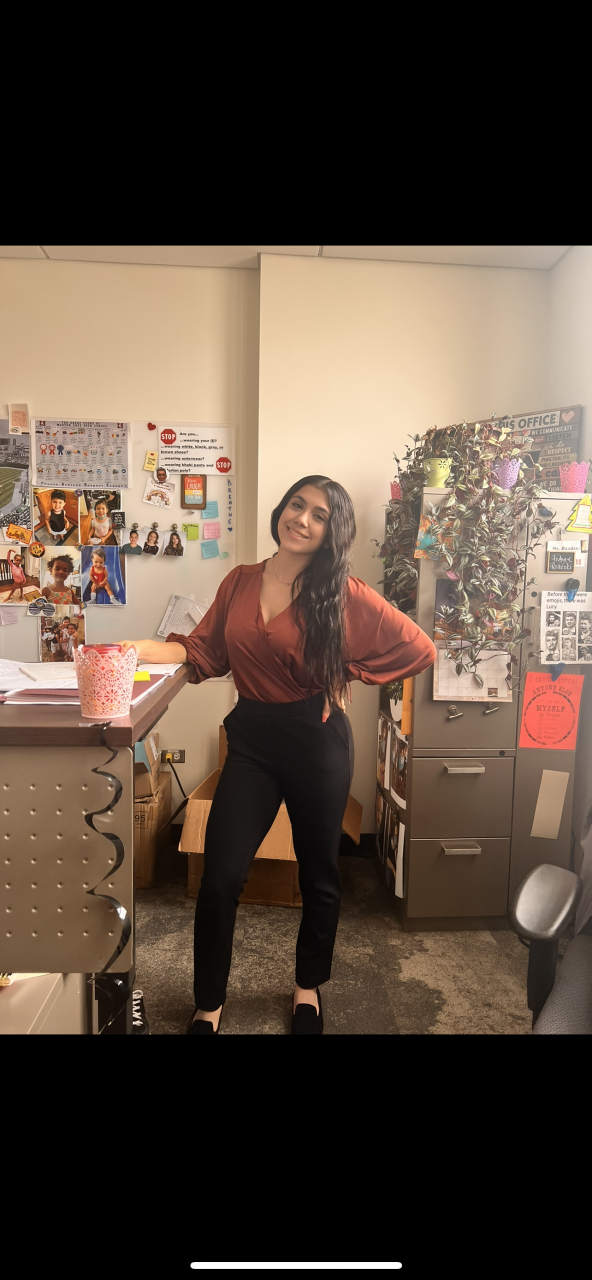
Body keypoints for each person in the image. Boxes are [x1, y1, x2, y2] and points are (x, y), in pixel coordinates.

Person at [120, 475, 436, 1036]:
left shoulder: (341, 592)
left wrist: (347, 670)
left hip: (317, 741)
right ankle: (209, 1003)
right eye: (297, 505)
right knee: (220, 878)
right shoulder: (240, 581)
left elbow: (418, 647)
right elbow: (202, 652)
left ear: (331, 532)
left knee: (318, 876)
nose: (302, 520)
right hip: (253, 743)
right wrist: (133, 649)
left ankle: (307, 987)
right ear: (282, 509)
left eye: (319, 515)